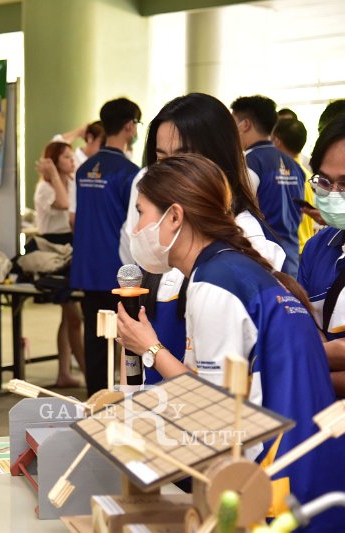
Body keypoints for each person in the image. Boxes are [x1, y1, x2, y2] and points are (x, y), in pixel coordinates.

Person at [117, 154, 344, 530]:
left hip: (277, 486)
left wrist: (150, 349)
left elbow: (215, 408)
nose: (135, 228)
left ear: (174, 217)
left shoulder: (214, 284)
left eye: (141, 213)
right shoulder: (228, 269)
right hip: (302, 473)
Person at [121, 93, 285, 384]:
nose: (168, 171)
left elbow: (221, 395)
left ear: (218, 159)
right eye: (161, 158)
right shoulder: (166, 232)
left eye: (182, 158)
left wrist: (150, 349)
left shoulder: (243, 248)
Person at [70, 97, 141, 396]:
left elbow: (74, 219)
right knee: (130, 339)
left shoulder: (83, 169)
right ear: (129, 126)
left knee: (95, 338)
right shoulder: (130, 173)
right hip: (120, 271)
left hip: (88, 268)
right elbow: (134, 226)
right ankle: (129, 398)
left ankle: (95, 400)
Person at [298, 114, 345, 398]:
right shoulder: (318, 248)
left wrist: (308, 362)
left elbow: (299, 356)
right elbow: (301, 329)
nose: (334, 194)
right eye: (325, 182)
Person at [231, 95, 305, 276]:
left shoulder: (249, 162)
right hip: (292, 261)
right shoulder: (295, 165)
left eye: (233, 124)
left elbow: (237, 211)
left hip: (264, 261)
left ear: (245, 124)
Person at [34, 141, 86, 387]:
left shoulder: (72, 182)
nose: (72, 160)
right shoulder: (45, 188)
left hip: (70, 248)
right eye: (66, 157)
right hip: (52, 252)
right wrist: (54, 175)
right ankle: (88, 373)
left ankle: (64, 372)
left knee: (69, 318)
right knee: (73, 317)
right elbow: (64, 204)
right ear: (54, 162)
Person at [272, 117, 323, 251]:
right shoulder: (309, 176)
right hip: (307, 247)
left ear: (277, 141)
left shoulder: (280, 178)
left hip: (288, 249)